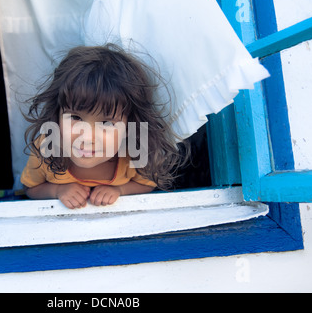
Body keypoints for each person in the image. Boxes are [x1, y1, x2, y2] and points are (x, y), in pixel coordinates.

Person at [20, 44, 187, 209]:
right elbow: (30, 188)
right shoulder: (46, 148)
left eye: (107, 123)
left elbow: (147, 184)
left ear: (129, 127)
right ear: (56, 115)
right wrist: (57, 190)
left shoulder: (135, 151)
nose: (86, 137)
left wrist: (119, 189)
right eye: (75, 117)